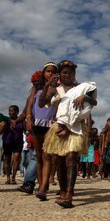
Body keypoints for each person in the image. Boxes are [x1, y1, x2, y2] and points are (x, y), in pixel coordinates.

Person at [41, 60, 97, 208]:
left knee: (71, 158)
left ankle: (70, 194)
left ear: (74, 74)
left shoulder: (80, 88)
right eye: (64, 72)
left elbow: (94, 102)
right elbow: (42, 103)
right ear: (60, 74)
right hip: (59, 126)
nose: (68, 75)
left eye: (71, 73)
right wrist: (47, 86)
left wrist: (84, 97)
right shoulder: (55, 89)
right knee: (59, 161)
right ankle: (62, 191)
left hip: (76, 127)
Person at [24, 63, 58, 200]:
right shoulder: (36, 88)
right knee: (38, 157)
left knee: (47, 156)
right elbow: (30, 105)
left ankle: (43, 188)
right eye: (48, 71)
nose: (50, 73)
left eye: (53, 72)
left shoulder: (58, 89)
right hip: (36, 124)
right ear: (44, 73)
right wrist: (27, 119)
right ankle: (40, 185)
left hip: (50, 125)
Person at [0, 105, 24, 184]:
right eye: (9, 111)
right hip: (7, 142)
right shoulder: (6, 119)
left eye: (12, 110)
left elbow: (27, 129)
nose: (10, 112)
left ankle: (13, 178)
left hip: (18, 142)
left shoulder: (21, 120)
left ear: (17, 112)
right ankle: (8, 178)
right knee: (7, 160)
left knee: (16, 159)